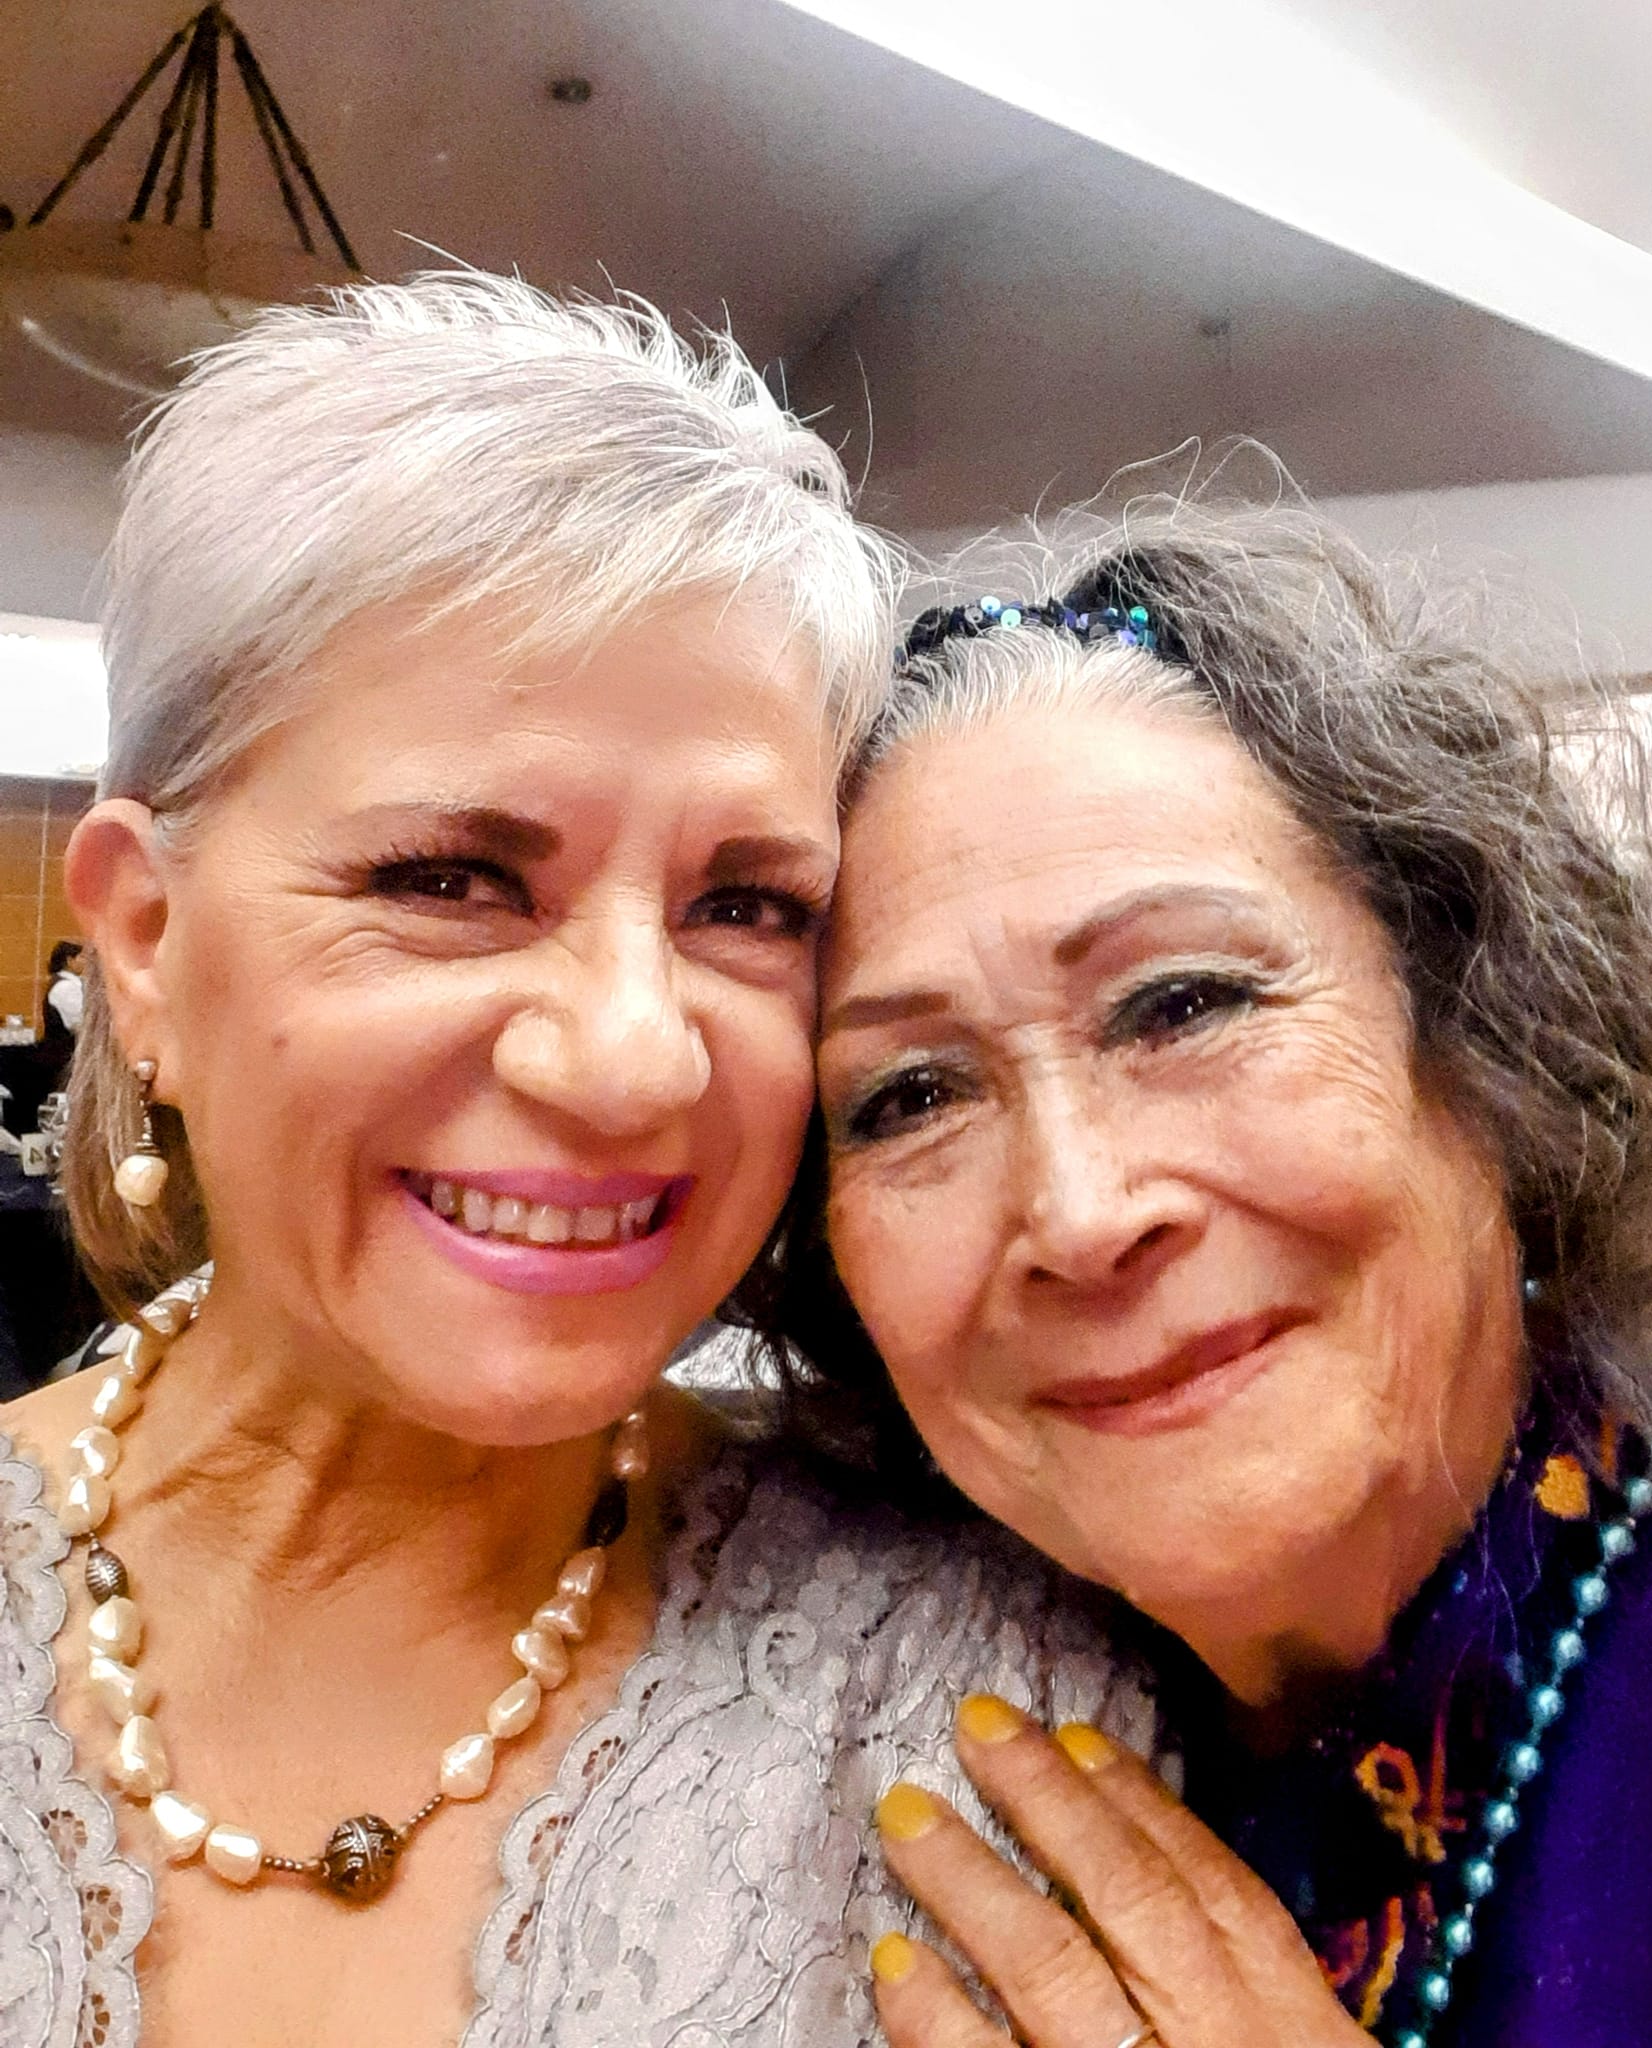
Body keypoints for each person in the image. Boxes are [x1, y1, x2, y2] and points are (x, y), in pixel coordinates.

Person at [0, 275, 1154, 2048]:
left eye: (746, 906)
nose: (634, 1058)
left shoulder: (971, 1693)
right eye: (453, 880)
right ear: (145, 941)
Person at [751, 504, 1652, 2048]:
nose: (1078, 1214)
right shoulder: (867, 1718)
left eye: (1181, 1004)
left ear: (1485, 1045)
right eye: (911, 1097)